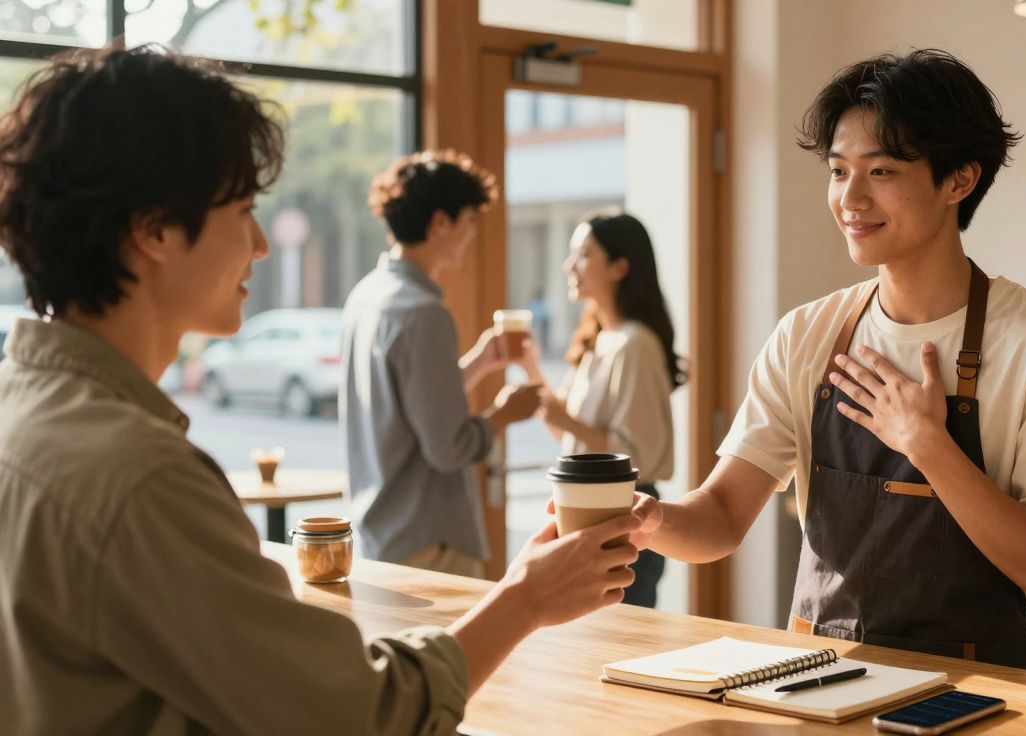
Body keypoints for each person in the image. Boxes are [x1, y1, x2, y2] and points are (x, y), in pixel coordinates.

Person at [0, 45, 639, 734]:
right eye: (242, 209)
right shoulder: (138, 476)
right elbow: (356, 716)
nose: (261, 244)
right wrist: (525, 597)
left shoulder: (24, 410)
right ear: (153, 228)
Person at [630, 50, 1026, 668]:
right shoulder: (807, 334)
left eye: (881, 171)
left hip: (973, 698)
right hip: (814, 682)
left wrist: (930, 446)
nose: (850, 198)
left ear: (959, 181)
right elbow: (723, 517)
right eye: (838, 172)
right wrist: (648, 520)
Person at [341, 150, 540, 578]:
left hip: (382, 530)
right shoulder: (424, 312)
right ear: (440, 222)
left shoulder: (368, 296)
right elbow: (448, 448)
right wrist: (506, 415)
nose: (471, 235)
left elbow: (406, 403)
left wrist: (477, 364)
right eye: (468, 221)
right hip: (430, 541)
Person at [521, 210, 681, 607]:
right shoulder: (601, 340)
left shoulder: (635, 345)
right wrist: (527, 364)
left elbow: (637, 455)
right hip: (586, 517)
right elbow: (568, 433)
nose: (568, 265)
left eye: (583, 254)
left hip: (624, 520)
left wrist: (566, 419)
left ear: (619, 266)